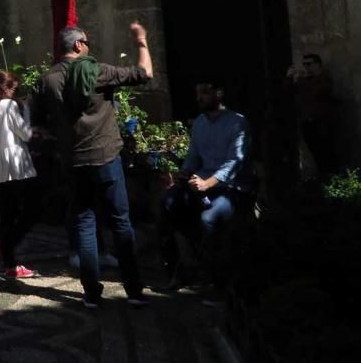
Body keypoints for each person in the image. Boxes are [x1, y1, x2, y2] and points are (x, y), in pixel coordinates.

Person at [39, 22, 152, 308]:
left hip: (74, 162)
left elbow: (38, 122)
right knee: (120, 222)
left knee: (85, 223)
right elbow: (144, 73)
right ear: (78, 45)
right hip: (105, 156)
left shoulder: (47, 80)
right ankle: (134, 290)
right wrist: (141, 41)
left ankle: (91, 294)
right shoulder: (96, 70)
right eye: (86, 41)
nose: (88, 45)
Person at [157, 83, 251, 305]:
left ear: (219, 93)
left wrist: (208, 183)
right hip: (201, 183)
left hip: (230, 188)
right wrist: (182, 175)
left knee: (209, 218)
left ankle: (216, 283)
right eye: (197, 93)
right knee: (167, 202)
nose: (199, 98)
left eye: (205, 93)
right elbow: (193, 156)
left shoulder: (237, 122)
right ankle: (178, 270)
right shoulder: (200, 123)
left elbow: (234, 163)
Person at [0, 70, 40, 278]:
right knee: (31, 209)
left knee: (7, 213)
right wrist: (28, 112)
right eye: (13, 88)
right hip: (14, 165)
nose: (15, 92)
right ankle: (7, 248)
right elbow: (25, 133)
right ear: (4, 88)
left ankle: (9, 262)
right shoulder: (10, 106)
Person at [290, 53, 338, 176]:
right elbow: (289, 92)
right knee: (316, 154)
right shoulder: (304, 81)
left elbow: (318, 92)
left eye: (309, 64)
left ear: (318, 65)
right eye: (304, 64)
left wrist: (301, 79)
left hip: (321, 123)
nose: (306, 67)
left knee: (326, 154)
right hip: (307, 123)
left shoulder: (323, 79)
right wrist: (290, 78)